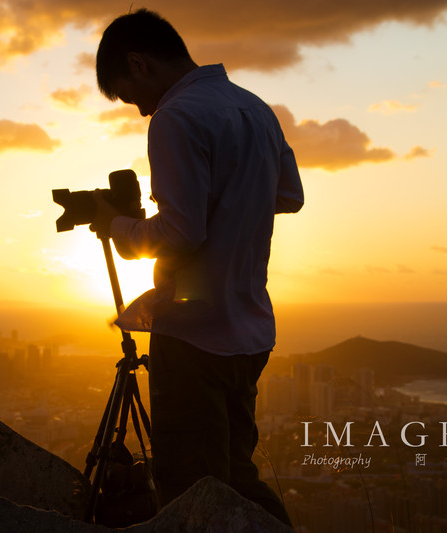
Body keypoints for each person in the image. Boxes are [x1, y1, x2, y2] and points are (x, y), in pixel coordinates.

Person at [91, 8, 303, 527]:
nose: (142, 111)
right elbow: (289, 196)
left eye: (131, 97)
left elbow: (181, 234)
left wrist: (119, 227)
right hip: (249, 330)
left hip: (194, 337)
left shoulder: (175, 117)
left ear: (138, 63)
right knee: (237, 477)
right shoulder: (256, 109)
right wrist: (230, 202)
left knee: (191, 491)